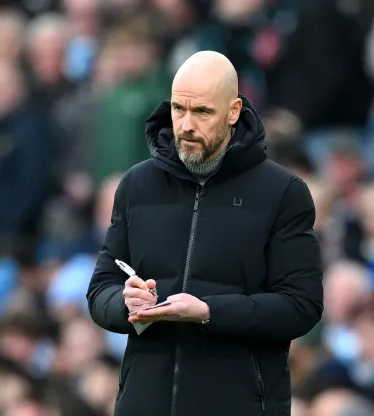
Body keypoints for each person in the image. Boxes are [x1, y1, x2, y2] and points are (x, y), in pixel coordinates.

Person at [86, 51, 324, 416]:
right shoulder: (137, 185)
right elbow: (101, 289)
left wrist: (209, 311)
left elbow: (301, 306)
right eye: (178, 109)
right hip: (144, 402)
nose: (185, 125)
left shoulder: (283, 192)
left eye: (202, 112)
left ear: (233, 112)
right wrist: (125, 303)